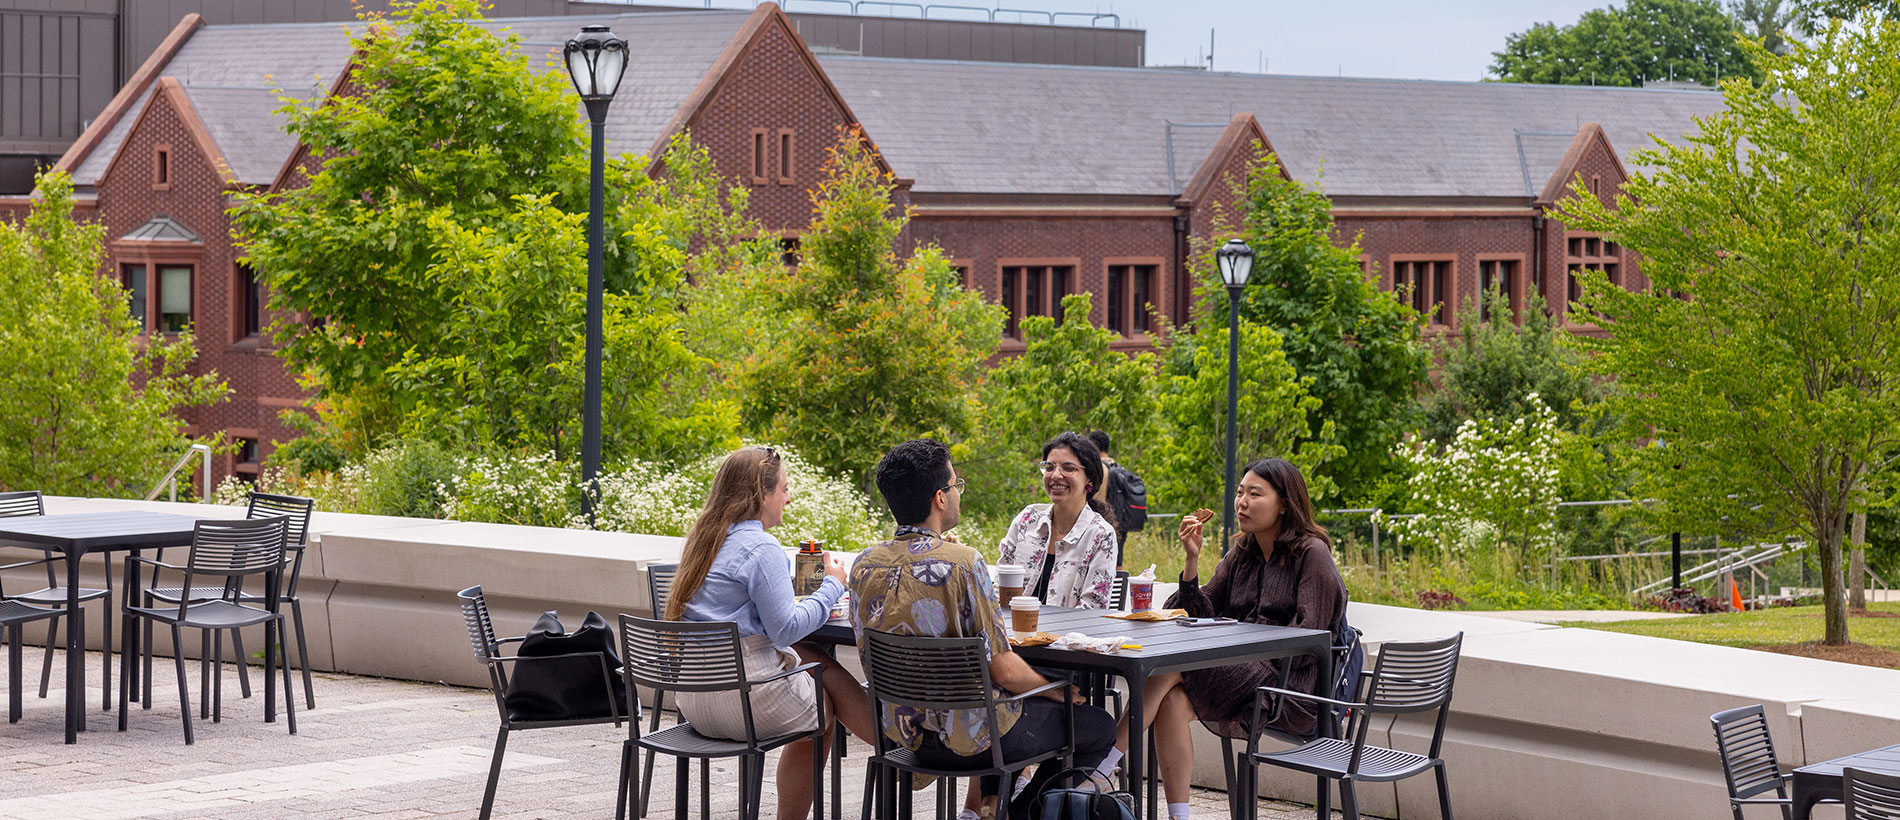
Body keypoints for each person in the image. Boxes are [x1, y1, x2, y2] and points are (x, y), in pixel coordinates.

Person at [850, 439, 1117, 820]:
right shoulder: (964, 563)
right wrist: (1058, 694)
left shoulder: (863, 566)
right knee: (1099, 727)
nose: (959, 493)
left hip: (906, 739)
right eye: (956, 485)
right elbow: (1003, 668)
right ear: (940, 499)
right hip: (974, 739)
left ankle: (991, 808)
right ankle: (1021, 812)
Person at [1103, 457, 1348, 820]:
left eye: (1255, 494)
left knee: (1169, 668)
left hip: (1292, 688)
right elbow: (1188, 612)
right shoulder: (1242, 554)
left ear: (1284, 504)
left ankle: (1101, 769)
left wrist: (1238, 646)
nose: (1242, 502)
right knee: (1170, 701)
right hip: (1243, 676)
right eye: (1239, 493)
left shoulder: (1312, 554)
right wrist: (1191, 561)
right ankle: (1179, 815)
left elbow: (1311, 638)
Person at [666, 445, 877, 820]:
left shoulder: (704, 541)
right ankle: (896, 748)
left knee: (813, 659)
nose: (788, 498)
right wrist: (833, 584)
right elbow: (785, 629)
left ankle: (893, 746)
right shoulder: (761, 548)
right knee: (821, 703)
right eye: (782, 488)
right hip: (740, 704)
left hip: (695, 701)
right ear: (760, 495)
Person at [998, 431, 1120, 609]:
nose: (1055, 475)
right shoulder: (1027, 520)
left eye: (1068, 468)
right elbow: (1000, 584)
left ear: (1090, 480)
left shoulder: (1101, 535)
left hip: (1070, 635)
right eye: (1049, 467)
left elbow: (1092, 610)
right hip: (1015, 632)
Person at [1086, 430, 1130, 565]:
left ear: (1094, 445)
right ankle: (1120, 586)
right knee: (1117, 561)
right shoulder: (1117, 467)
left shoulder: (1097, 467)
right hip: (1119, 519)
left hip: (1100, 518)